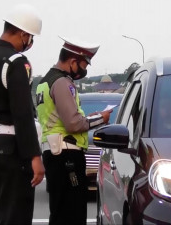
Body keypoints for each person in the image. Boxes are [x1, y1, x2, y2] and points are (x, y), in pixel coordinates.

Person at [0, 4, 45, 225]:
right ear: (23, 34)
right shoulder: (16, 62)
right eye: (30, 37)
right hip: (10, 147)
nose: (30, 43)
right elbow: (22, 113)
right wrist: (35, 156)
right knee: (15, 215)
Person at [36, 37, 112, 225]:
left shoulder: (44, 82)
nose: (84, 70)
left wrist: (87, 117)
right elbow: (73, 124)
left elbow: (61, 117)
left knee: (59, 211)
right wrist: (100, 118)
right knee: (74, 213)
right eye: (83, 65)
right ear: (72, 61)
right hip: (67, 155)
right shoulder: (62, 82)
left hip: (53, 153)